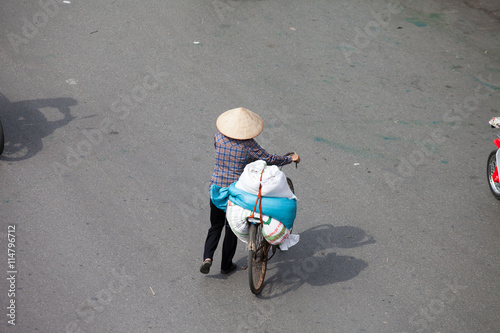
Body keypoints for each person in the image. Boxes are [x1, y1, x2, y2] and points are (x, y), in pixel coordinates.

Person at [200, 107, 300, 275]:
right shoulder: (249, 145)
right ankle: (226, 265)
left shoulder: (219, 137)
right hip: (236, 193)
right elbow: (269, 159)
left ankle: (207, 257)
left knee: (215, 225)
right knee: (231, 228)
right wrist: (290, 158)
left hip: (216, 189)